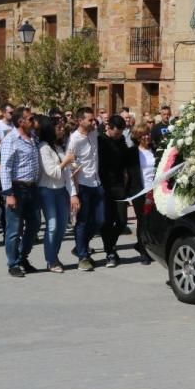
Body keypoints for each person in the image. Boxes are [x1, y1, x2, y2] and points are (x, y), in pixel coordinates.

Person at [0, 106, 42, 278]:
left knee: (35, 224)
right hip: (17, 188)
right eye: (30, 119)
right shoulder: (11, 139)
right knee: (14, 229)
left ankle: (23, 256)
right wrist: (9, 193)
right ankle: (13, 263)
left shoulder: (33, 138)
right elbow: (5, 168)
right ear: (20, 121)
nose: (33, 121)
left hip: (32, 187)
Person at [37, 115, 75, 272]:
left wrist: (72, 166)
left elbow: (65, 171)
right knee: (52, 226)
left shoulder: (59, 147)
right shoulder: (44, 147)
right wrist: (66, 161)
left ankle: (55, 255)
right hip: (47, 191)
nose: (61, 129)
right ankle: (51, 260)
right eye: (58, 127)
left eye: (62, 127)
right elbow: (52, 172)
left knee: (61, 227)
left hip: (61, 191)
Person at [68, 106, 102, 272]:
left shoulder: (94, 133)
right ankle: (82, 256)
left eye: (93, 119)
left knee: (99, 220)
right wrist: (74, 193)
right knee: (83, 221)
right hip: (83, 184)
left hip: (96, 182)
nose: (93, 122)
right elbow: (70, 163)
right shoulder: (74, 139)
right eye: (89, 119)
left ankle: (80, 246)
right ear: (80, 120)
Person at [99, 114, 130, 267]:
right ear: (108, 128)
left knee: (122, 221)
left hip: (119, 185)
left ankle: (110, 247)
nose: (119, 136)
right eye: (117, 133)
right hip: (104, 185)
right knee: (107, 221)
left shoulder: (122, 140)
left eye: (121, 133)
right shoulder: (100, 141)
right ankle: (110, 251)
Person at [131, 123, 155, 264]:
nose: (147, 137)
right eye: (144, 135)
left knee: (152, 221)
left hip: (155, 190)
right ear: (138, 138)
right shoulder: (133, 152)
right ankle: (143, 250)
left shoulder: (155, 149)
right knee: (143, 221)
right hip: (140, 191)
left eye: (148, 134)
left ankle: (149, 247)